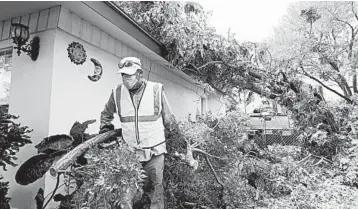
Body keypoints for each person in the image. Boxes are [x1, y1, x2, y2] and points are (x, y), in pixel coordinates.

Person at [99, 57, 175, 209]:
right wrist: (105, 129)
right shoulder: (117, 92)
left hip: (155, 153)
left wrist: (176, 139)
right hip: (130, 155)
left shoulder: (156, 90)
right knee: (126, 194)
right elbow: (106, 114)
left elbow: (169, 119)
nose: (126, 79)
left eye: (130, 75)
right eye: (123, 75)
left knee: (156, 193)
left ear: (140, 73)